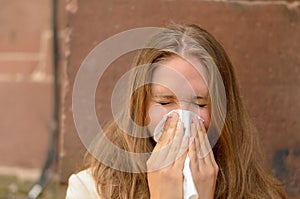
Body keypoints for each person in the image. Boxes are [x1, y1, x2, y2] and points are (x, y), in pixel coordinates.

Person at [66, 24, 286, 199]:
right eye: (165, 102)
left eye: (200, 104)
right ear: (141, 107)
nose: (182, 121)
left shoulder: (259, 194)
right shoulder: (90, 190)